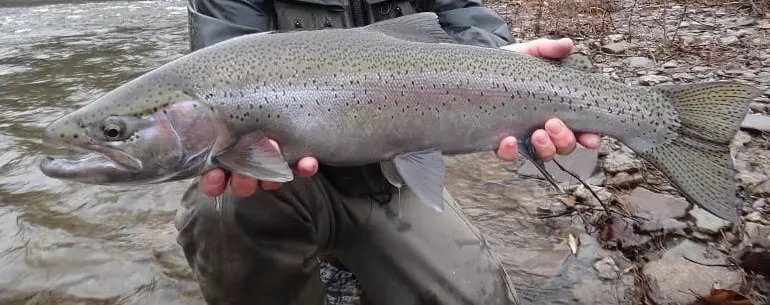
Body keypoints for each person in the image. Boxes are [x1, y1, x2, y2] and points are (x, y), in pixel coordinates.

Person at [175, 0, 601, 304]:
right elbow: (221, 63)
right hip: (287, 185)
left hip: (391, 183)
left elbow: (470, 20)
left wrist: (494, 69)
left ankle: (350, 259)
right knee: (220, 203)